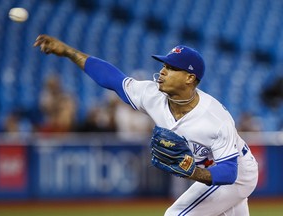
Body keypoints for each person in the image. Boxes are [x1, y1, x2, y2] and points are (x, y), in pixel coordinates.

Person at [34, 35, 258, 216]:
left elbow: (229, 172)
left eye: (171, 68)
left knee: (176, 214)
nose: (162, 71)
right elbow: (111, 78)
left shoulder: (215, 119)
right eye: (164, 65)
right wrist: (68, 52)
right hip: (215, 172)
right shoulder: (152, 95)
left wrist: (193, 172)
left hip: (237, 175)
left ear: (189, 78)